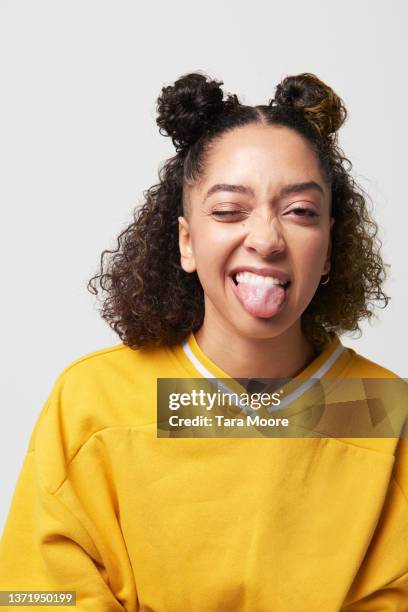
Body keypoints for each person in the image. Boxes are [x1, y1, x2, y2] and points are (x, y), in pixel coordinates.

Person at [0, 71, 407, 611]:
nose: (265, 238)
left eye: (301, 212)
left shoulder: (383, 410)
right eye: (228, 210)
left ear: (330, 248)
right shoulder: (93, 401)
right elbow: (34, 597)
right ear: (187, 242)